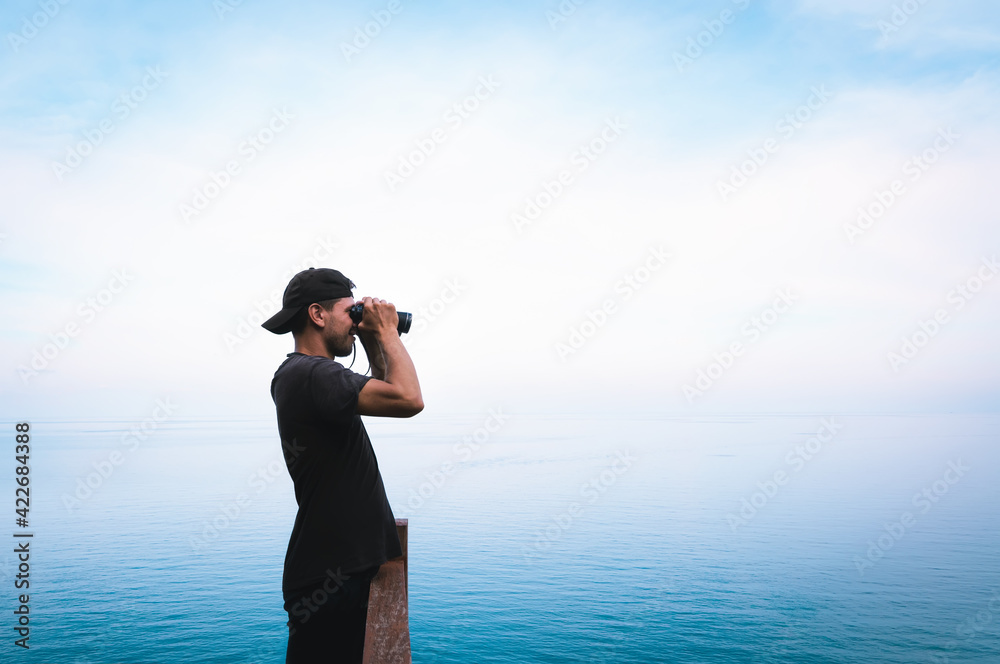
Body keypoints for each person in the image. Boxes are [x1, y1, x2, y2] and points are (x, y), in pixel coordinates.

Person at [261, 267, 423, 664]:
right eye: (351, 312)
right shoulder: (311, 374)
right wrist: (385, 330)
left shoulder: (311, 376)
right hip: (328, 580)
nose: (358, 320)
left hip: (336, 571)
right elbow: (408, 399)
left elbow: (384, 386)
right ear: (317, 314)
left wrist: (370, 338)